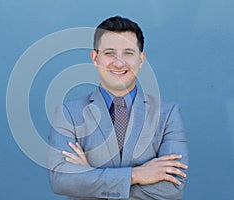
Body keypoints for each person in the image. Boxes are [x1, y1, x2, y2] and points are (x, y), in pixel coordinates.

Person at [47, 16, 188, 200]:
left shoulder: (167, 114)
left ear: (141, 59)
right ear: (95, 58)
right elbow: (62, 181)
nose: (119, 63)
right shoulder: (68, 114)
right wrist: (136, 175)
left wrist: (89, 179)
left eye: (128, 53)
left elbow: (172, 188)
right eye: (109, 53)